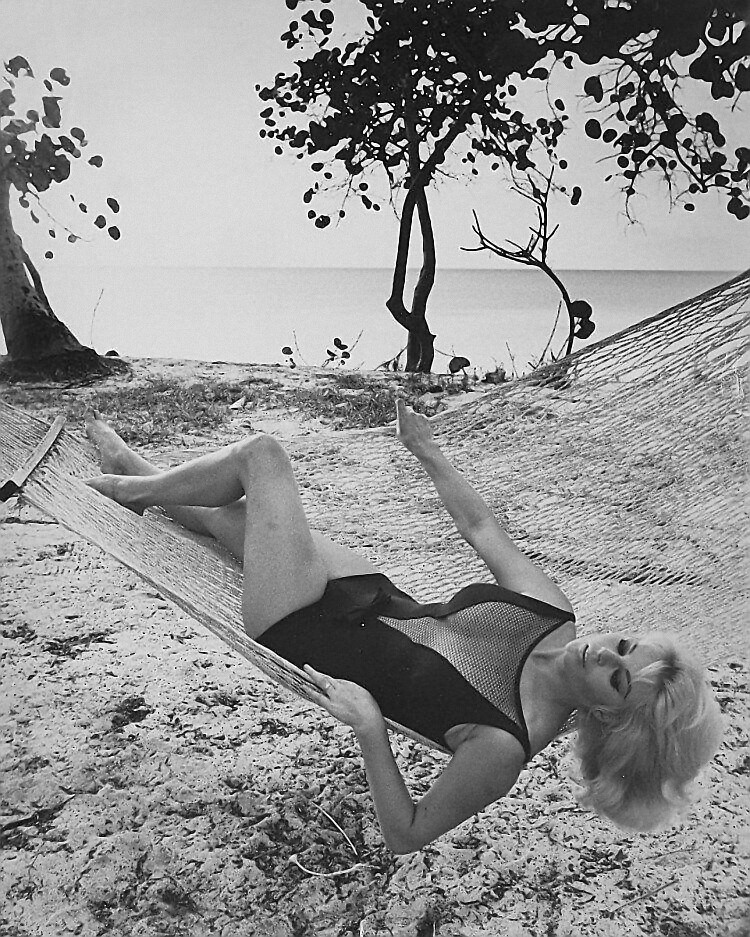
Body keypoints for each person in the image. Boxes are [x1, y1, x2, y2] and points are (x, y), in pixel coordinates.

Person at [84, 401, 723, 854]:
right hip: (369, 593)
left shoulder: (505, 745)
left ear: (609, 716)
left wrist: (370, 728)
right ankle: (139, 471)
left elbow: (407, 834)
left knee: (263, 458)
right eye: (624, 646)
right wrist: (427, 450)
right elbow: (481, 528)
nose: (602, 655)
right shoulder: (553, 614)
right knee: (235, 519)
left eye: (617, 679)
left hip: (305, 627)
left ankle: (129, 488)